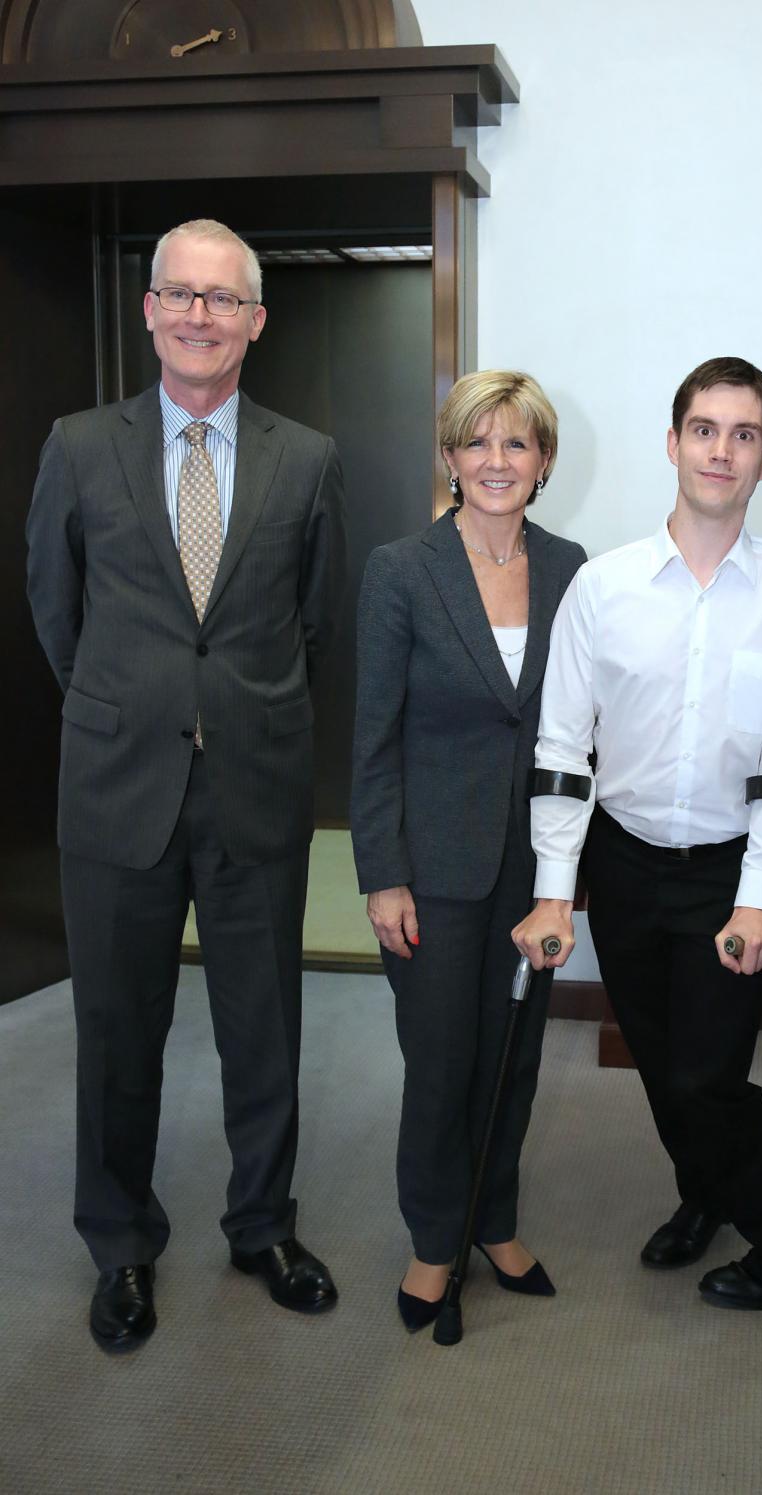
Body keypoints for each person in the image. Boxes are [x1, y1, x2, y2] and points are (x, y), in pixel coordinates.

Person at [25, 218, 347, 1351]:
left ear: (256, 320)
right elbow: (56, 612)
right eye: (182, 294)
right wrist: (138, 708)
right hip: (117, 789)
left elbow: (310, 622)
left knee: (266, 1028)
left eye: (225, 298)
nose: (202, 315)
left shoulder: (308, 458)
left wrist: (227, 712)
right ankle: (120, 1245)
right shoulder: (77, 445)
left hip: (254, 786)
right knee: (118, 1032)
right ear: (152, 310)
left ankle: (263, 1224)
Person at [514, 357, 762, 1312]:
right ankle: (705, 1193)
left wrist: (761, 897)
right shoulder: (603, 586)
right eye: (705, 429)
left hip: (730, 868)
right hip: (622, 860)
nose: (721, 450)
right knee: (660, 1063)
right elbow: (564, 745)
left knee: (707, 1073)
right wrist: (552, 887)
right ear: (674, 443)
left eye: (744, 435)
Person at [351, 370, 586, 1333]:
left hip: (537, 868)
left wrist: (569, 876)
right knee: (441, 1060)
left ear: (543, 462)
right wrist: (383, 876)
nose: (497, 461)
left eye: (517, 444)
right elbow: (373, 736)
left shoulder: (574, 567)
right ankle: (434, 1237)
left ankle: (495, 1221)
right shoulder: (402, 569)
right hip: (433, 872)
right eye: (477, 443)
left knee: (514, 1055)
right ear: (450, 457)